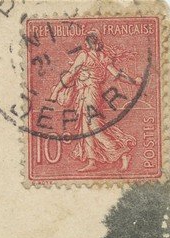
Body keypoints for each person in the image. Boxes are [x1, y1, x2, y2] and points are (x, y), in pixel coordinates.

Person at [48, 30, 143, 172]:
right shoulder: (103, 57)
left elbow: (70, 75)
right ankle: (92, 161)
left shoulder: (83, 56)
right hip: (90, 94)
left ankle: (123, 153)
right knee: (86, 128)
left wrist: (56, 91)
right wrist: (134, 81)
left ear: (86, 43)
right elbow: (118, 75)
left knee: (94, 127)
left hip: (89, 94)